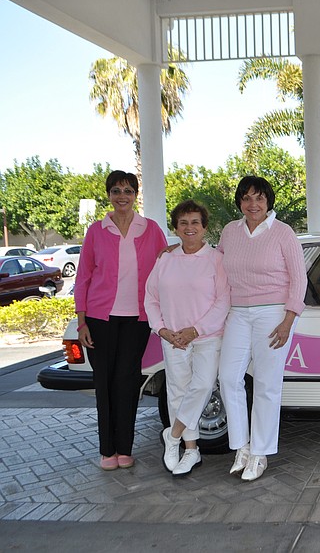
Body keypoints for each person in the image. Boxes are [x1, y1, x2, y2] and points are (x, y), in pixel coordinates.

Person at [75, 170, 167, 470]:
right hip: (101, 318)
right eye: (116, 190)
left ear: (135, 194)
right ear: (109, 195)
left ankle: (125, 449)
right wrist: (82, 321)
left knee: (126, 383)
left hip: (137, 319)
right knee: (104, 383)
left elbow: (164, 266)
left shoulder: (150, 229)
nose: (122, 196)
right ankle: (107, 451)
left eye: (128, 190)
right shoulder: (96, 231)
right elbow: (84, 276)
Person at [217, 175, 307, 482]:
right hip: (237, 314)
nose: (252, 204)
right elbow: (213, 268)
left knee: (267, 384)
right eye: (246, 198)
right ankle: (241, 446)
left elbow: (299, 279)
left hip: (274, 315)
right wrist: (172, 253)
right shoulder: (230, 232)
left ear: (268, 201)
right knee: (228, 377)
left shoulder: (283, 233)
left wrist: (289, 319)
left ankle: (260, 453)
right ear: (240, 202)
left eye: (258, 198)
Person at [144, 200, 230, 477]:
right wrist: (162, 330)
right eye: (183, 223)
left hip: (206, 336)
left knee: (203, 385)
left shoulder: (216, 259)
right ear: (176, 228)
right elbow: (151, 298)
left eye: (195, 222)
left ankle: (173, 433)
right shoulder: (165, 260)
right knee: (178, 392)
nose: (189, 227)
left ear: (204, 227)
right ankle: (190, 450)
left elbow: (223, 301)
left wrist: (196, 330)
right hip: (173, 338)